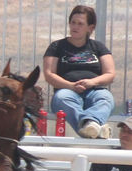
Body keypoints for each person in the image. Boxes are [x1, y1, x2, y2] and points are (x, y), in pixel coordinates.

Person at [43, 5, 115, 139]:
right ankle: (94, 127)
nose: (75, 27)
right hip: (67, 90)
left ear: (91, 27)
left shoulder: (98, 47)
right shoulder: (56, 47)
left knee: (106, 99)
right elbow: (49, 74)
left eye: (80, 24)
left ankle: (90, 125)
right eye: (73, 23)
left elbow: (110, 74)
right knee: (61, 99)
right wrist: (71, 86)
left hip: (94, 91)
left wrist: (92, 82)